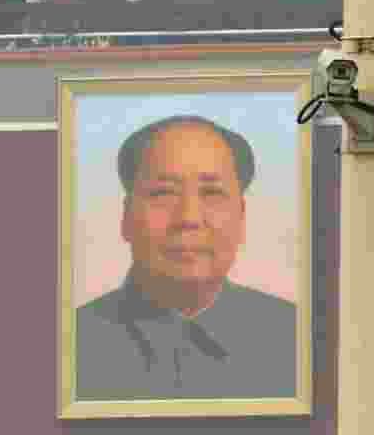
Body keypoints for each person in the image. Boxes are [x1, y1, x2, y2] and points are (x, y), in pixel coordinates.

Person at [74, 115, 297, 401]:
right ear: (126, 216)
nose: (189, 218)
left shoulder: (297, 337)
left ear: (242, 217)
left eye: (212, 193)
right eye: (164, 193)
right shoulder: (69, 342)